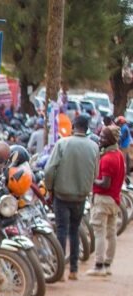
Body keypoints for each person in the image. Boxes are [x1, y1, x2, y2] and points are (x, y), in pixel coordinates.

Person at [44, 114, 99, 280]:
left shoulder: (62, 143)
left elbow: (49, 170)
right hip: (81, 196)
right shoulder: (94, 147)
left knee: (61, 230)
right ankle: (73, 270)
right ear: (87, 128)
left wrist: (49, 188)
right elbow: (95, 173)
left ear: (73, 127)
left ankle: (59, 271)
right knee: (74, 230)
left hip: (61, 195)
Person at [87, 125, 125, 276]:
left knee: (99, 232)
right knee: (111, 233)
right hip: (115, 199)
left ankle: (99, 265)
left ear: (110, 139)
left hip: (103, 199)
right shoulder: (119, 155)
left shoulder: (108, 159)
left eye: (103, 137)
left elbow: (105, 183)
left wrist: (92, 180)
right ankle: (108, 264)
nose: (100, 139)